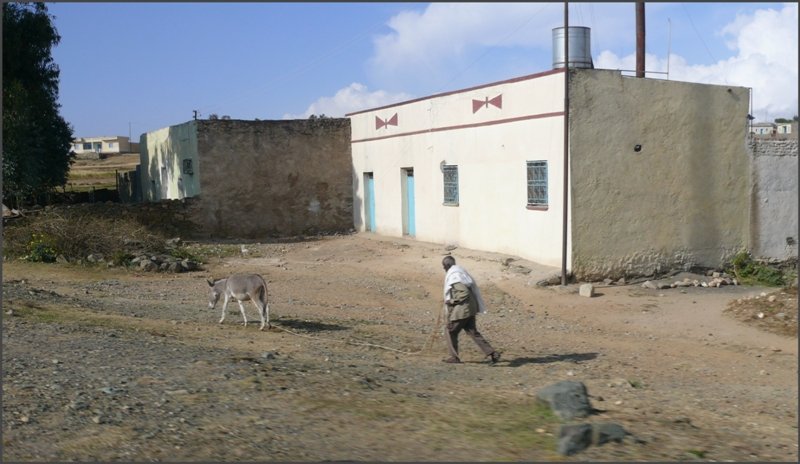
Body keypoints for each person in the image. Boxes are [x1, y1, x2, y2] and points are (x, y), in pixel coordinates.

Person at [441, 256, 501, 365]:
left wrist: (452, 301)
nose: (444, 269)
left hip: (462, 310)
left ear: (447, 266)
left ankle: (454, 357)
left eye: (444, 267)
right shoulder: (461, 273)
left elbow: (464, 292)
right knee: (473, 332)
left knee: (450, 331)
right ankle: (492, 353)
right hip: (470, 308)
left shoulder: (455, 276)